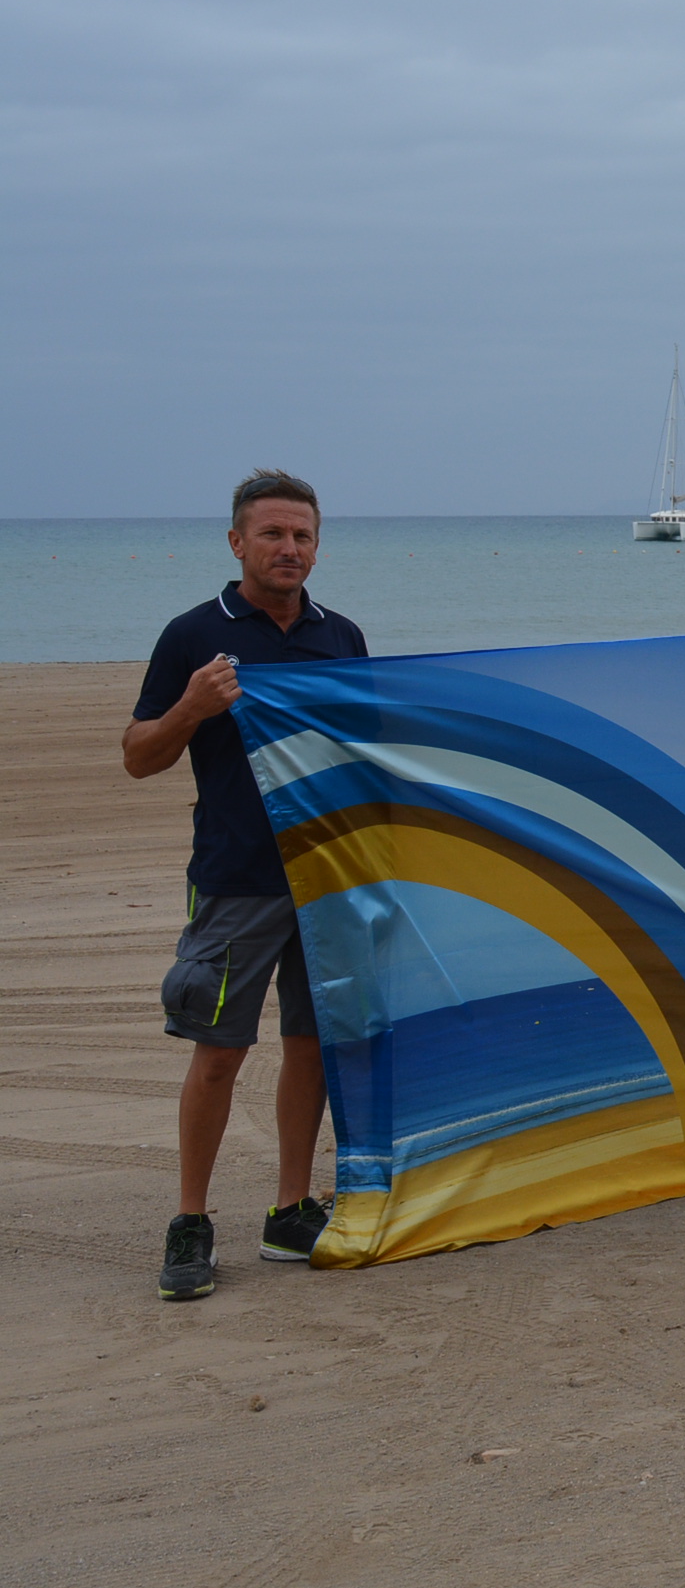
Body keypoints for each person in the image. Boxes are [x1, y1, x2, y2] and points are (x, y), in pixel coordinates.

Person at [124, 471, 368, 1299]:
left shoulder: (341, 637)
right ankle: (191, 1223)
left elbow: (364, 751)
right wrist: (193, 706)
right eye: (271, 534)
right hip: (237, 879)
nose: (288, 549)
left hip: (326, 875)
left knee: (312, 1048)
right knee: (220, 1054)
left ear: (316, 544)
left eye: (301, 535)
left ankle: (289, 1212)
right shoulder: (195, 635)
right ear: (236, 543)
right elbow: (139, 756)